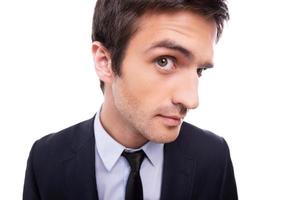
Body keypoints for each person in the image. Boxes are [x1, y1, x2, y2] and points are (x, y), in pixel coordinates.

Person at [23, 0, 238, 199]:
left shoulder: (213, 157)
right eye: (164, 61)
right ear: (105, 61)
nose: (191, 100)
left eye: (199, 70)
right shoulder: (45, 159)